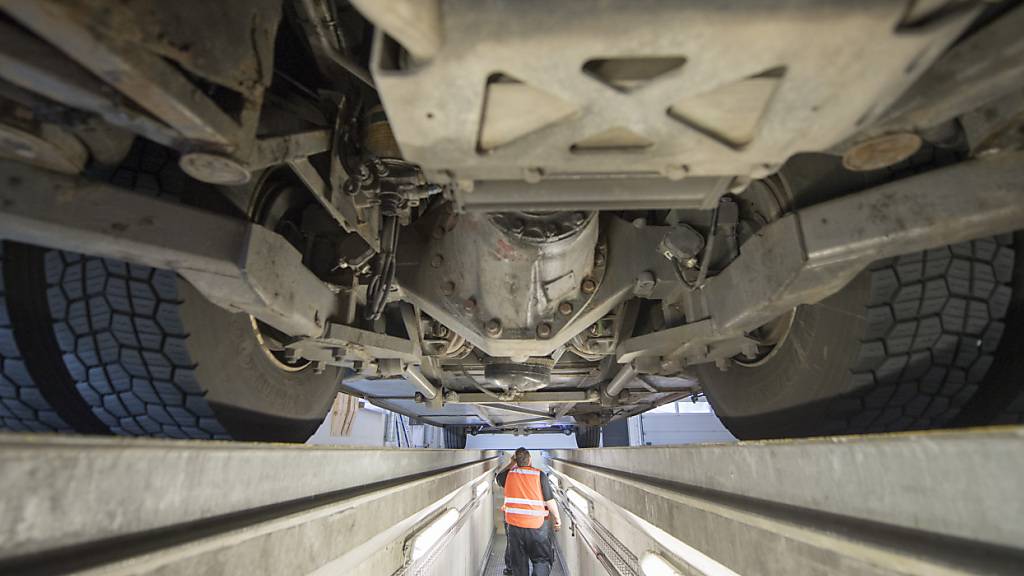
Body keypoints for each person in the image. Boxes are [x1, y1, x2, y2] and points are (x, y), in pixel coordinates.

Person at [495, 447, 561, 576]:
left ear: (516, 460)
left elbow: (498, 478)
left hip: (514, 528)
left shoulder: (509, 475)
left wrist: (512, 462)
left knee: (518, 565)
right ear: (530, 459)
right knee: (541, 560)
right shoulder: (539, 474)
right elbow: (549, 500)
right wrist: (557, 518)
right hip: (536, 528)